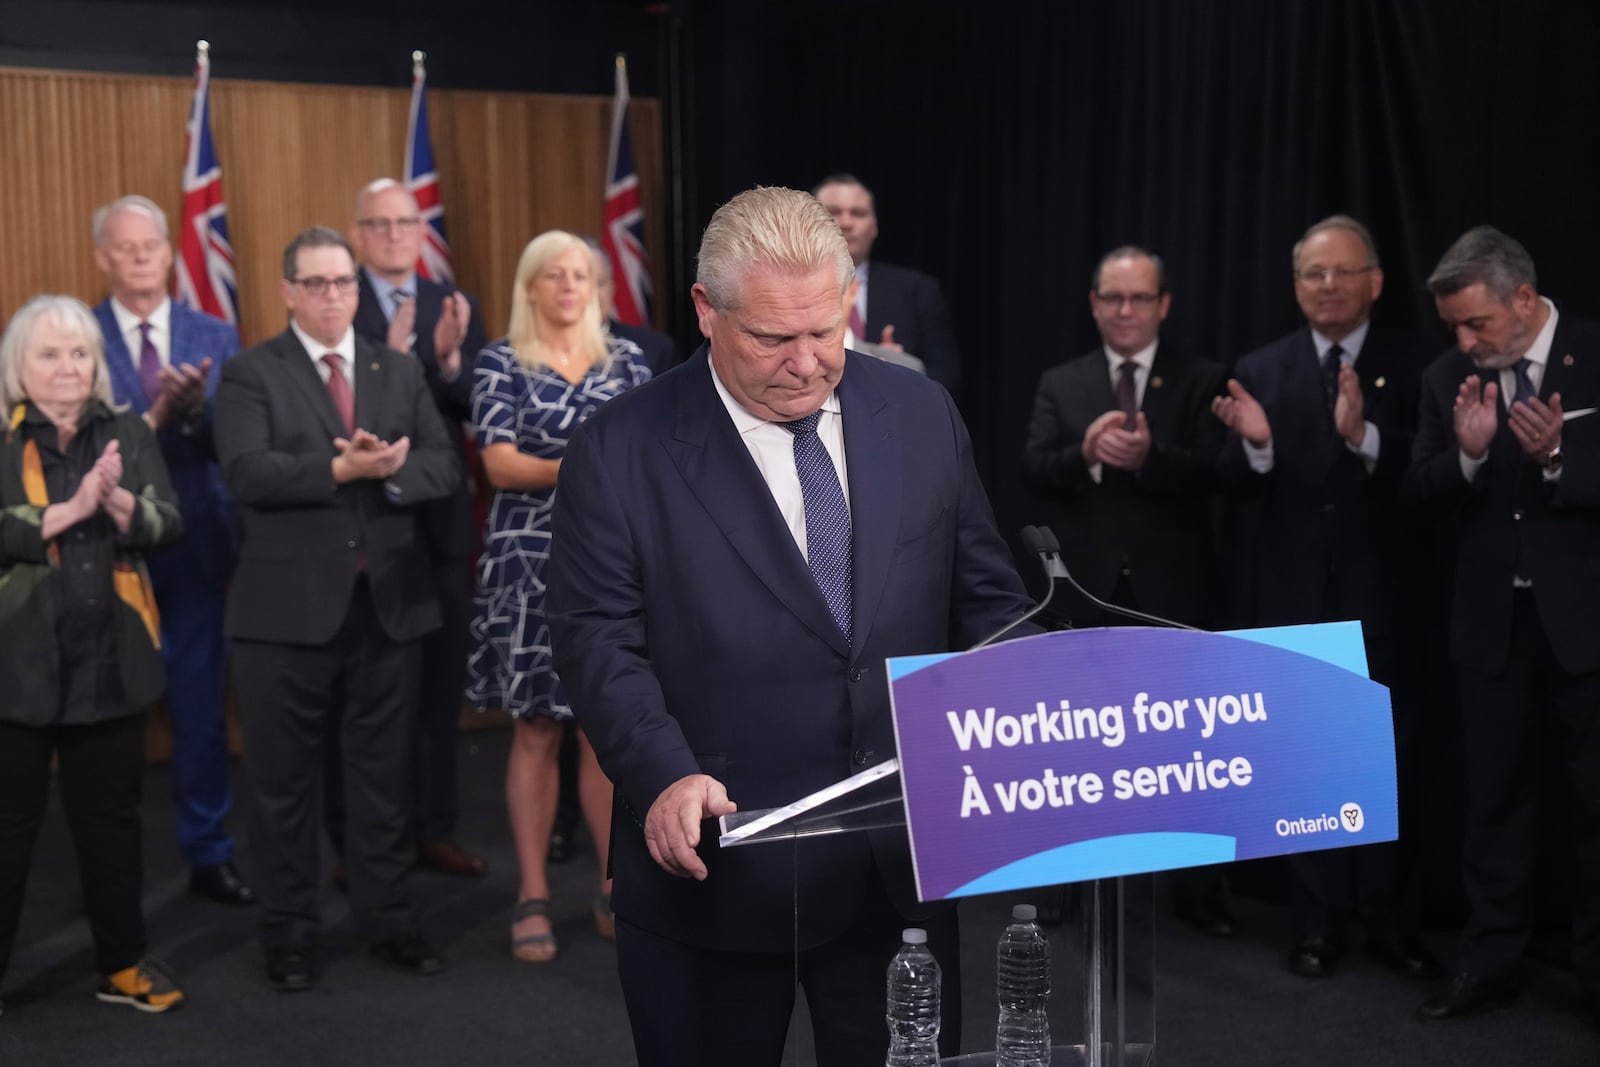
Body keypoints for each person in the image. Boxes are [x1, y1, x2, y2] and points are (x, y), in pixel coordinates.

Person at [545, 186, 1032, 1066]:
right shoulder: (622, 449)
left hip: (897, 871)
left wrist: (1039, 708)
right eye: (774, 338)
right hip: (716, 864)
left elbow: (988, 599)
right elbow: (595, 641)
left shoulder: (922, 415)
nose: (809, 362)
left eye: (827, 329)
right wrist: (661, 774)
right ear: (705, 309)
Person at [213, 226, 459, 992]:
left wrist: (389, 473)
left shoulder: (396, 365)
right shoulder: (253, 371)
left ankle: (389, 919)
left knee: (384, 779)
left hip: (386, 607)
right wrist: (337, 466)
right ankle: (289, 931)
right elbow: (248, 471)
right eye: (315, 283)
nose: (331, 296)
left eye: (342, 284)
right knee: (283, 785)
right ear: (287, 290)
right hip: (283, 616)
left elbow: (443, 462)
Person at [1211, 215, 1437, 981]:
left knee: (1388, 763)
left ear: (1375, 281)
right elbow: (1230, 490)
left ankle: (1389, 920)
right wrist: (1257, 444)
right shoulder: (1261, 365)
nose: (1328, 286)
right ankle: (1316, 922)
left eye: (1343, 273)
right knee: (1305, 769)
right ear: (1295, 285)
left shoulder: (1420, 361)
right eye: (1314, 273)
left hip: (1391, 595)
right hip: (1292, 596)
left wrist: (1365, 436)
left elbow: (1439, 477)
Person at [1407, 226, 1600, 1025]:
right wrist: (1470, 459)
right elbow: (1416, 497)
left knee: (1595, 807)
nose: (1465, 340)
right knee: (1492, 803)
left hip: (1585, 625)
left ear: (1524, 298)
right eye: (1455, 325)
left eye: (1478, 322)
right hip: (1490, 627)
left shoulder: (1594, 350)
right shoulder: (1448, 376)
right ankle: (1489, 961)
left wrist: (1560, 459)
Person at [1022, 245, 1234, 935]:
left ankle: (1198, 893)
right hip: (1083, 591)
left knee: (1188, 749)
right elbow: (1032, 469)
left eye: (1139, 298)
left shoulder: (1202, 379)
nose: (1125, 310)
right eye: (1112, 297)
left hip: (1173, 588)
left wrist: (1151, 460)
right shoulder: (1063, 379)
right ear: (1092, 303)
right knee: (1076, 746)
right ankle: (1064, 882)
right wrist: (1084, 454)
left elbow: (1219, 474)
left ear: (1163, 305)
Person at [465, 230, 651, 962]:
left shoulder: (629, 361)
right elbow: (501, 464)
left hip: (615, 564)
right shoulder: (500, 360)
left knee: (605, 731)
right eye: (555, 274)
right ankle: (533, 892)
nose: (570, 285)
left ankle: (613, 886)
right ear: (531, 286)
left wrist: (575, 468)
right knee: (537, 729)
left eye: (581, 273)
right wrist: (590, 467)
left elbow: (649, 460)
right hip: (527, 566)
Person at [0, 295, 185, 1013]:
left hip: (111, 661)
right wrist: (66, 510)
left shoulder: (128, 433)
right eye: (50, 353)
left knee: (110, 822)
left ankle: (123, 963)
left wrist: (121, 508)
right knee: (8, 830)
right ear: (19, 366)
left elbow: (169, 522)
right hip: (17, 669)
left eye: (80, 353)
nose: (68, 366)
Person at [89, 195, 253, 907]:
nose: (140, 257)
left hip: (197, 541)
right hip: (108, 548)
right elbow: (75, 450)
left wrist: (199, 409)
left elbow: (243, 442)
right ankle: (106, 863)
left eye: (150, 244)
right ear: (103, 257)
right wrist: (155, 417)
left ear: (168, 249)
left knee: (198, 709)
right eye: (124, 248)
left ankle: (208, 851)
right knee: (102, 714)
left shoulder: (213, 331)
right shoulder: (78, 337)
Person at [334, 177, 490, 883]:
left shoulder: (452, 304)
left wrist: (451, 362)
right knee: (363, 697)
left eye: (406, 222)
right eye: (380, 224)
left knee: (436, 691)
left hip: (443, 526)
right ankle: (361, 843)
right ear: (360, 233)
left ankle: (433, 829)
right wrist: (402, 360)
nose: (395, 235)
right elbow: (349, 411)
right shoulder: (338, 298)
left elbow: (477, 405)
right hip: (366, 530)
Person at [813, 173, 961, 396]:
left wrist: (894, 367)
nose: (846, 222)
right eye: (833, 212)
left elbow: (946, 377)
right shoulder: (784, 289)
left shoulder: (918, 292)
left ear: (874, 227)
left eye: (858, 213)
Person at [585, 235, 680, 375]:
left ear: (612, 288)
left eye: (599, 283)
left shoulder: (655, 350)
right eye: (582, 282)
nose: (591, 294)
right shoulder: (541, 350)